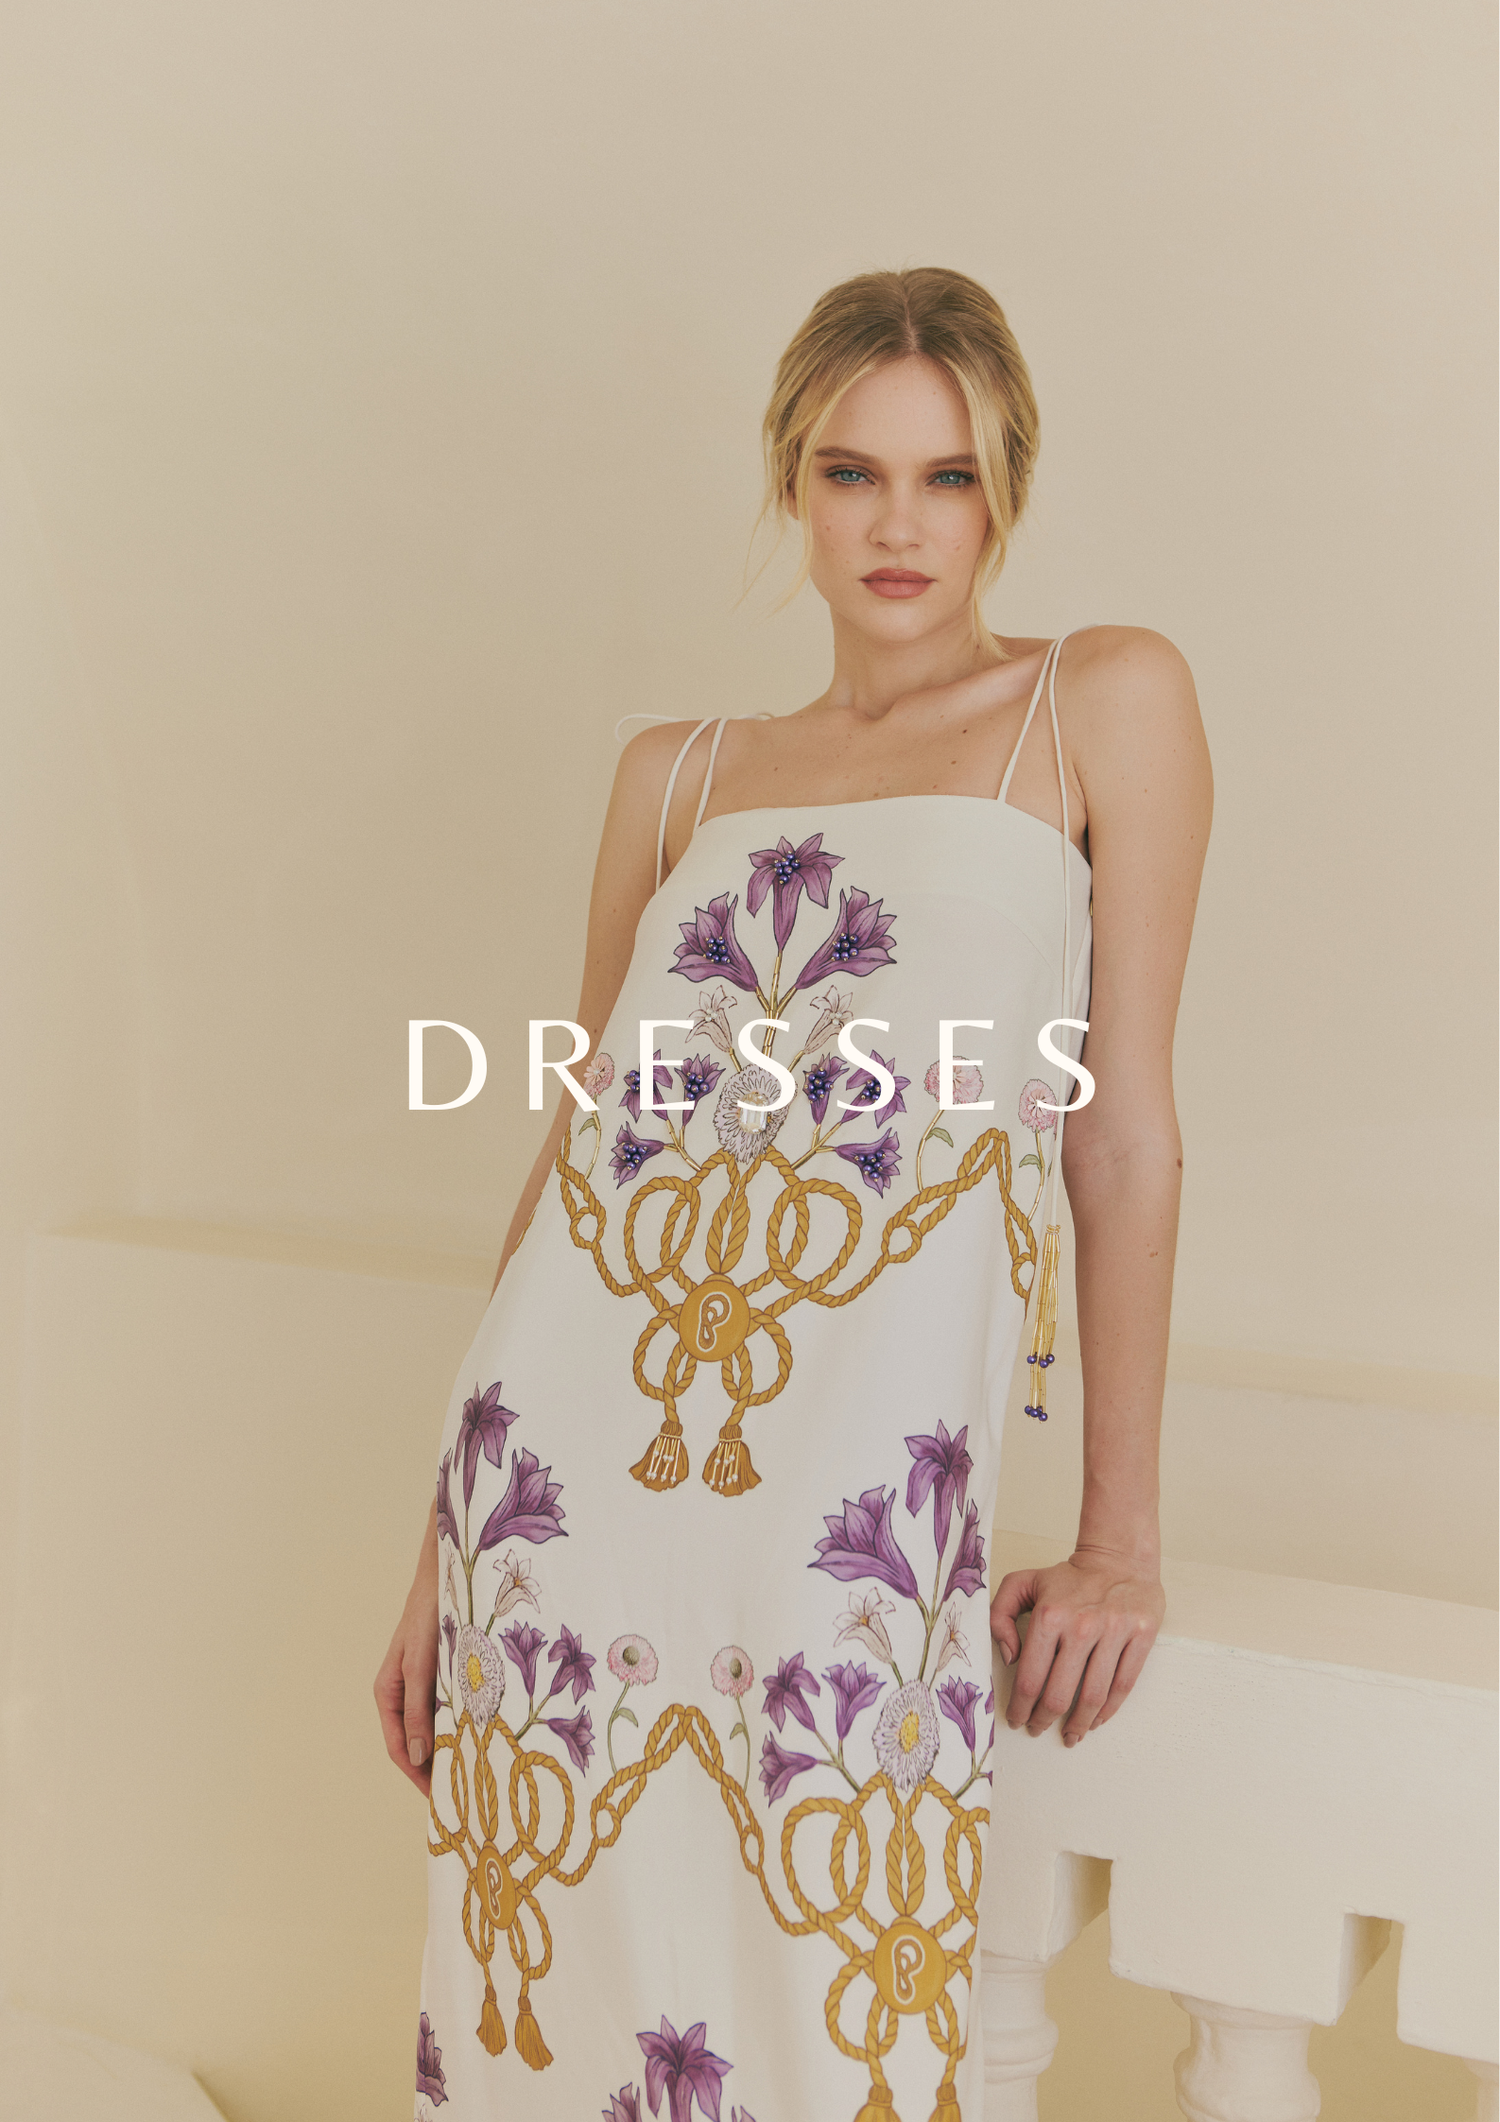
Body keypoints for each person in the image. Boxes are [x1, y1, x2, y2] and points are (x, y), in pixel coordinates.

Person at [377, 265, 1211, 2122]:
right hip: (567, 1517)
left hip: (848, 1523)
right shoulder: (676, 777)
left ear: (1006, 490)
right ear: (791, 484)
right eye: (852, 474)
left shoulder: (1096, 704)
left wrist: (1121, 1536)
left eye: (948, 476)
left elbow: (1123, 1129)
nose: (900, 525)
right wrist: (443, 1542)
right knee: (544, 2021)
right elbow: (579, 1159)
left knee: (836, 2025)